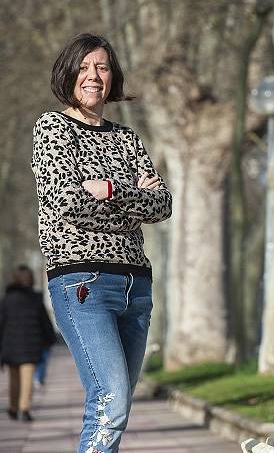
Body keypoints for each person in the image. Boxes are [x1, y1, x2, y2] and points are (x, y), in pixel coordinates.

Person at [31, 34, 173, 452]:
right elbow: (69, 205)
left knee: (118, 404)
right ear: (68, 73)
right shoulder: (52, 128)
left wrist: (107, 189)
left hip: (136, 286)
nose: (94, 76)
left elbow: (162, 205)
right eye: (85, 67)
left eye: (103, 67)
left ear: (113, 77)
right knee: (110, 402)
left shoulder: (127, 137)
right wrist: (132, 194)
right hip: (83, 282)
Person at [0, 266, 56, 421]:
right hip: (31, 345)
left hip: (10, 345)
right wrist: (49, 339)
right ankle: (25, 409)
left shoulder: (7, 299)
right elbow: (45, 322)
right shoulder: (35, 298)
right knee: (27, 379)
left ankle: (12, 408)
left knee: (14, 379)